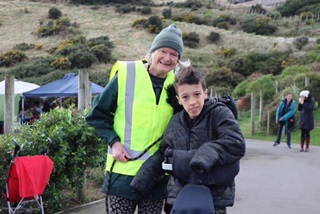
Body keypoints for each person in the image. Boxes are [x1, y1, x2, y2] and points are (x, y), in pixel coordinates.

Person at [86, 23, 190, 214]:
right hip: (122, 174)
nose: (167, 58)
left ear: (178, 60)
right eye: (163, 51)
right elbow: (96, 115)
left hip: (157, 176)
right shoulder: (127, 74)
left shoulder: (178, 85)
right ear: (152, 52)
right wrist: (114, 142)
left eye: (174, 54)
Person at [130, 66, 246, 214]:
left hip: (212, 199)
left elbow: (236, 144)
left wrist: (205, 154)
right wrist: (141, 182)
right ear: (178, 100)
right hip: (179, 198)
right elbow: (164, 153)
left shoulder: (219, 113)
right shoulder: (175, 122)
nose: (192, 102)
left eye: (197, 94)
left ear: (205, 93)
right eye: (185, 97)